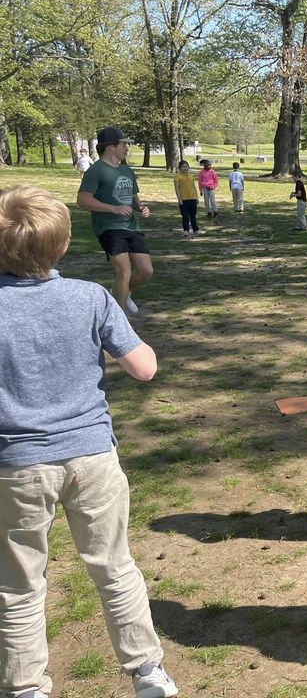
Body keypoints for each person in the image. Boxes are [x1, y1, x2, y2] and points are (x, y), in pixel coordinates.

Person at [0, 186, 179, 698]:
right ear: (61, 245)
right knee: (114, 566)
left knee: (18, 585)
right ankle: (148, 672)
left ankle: (25, 687)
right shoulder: (91, 297)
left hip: (16, 467)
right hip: (92, 456)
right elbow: (144, 368)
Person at [76, 127, 152, 315]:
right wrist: (113, 209)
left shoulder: (127, 170)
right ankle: (120, 321)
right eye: (123, 144)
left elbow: (133, 198)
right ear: (111, 146)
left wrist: (141, 207)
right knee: (124, 272)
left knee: (146, 271)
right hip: (109, 228)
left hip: (131, 226)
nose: (127, 148)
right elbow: (82, 200)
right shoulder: (96, 171)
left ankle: (119, 292)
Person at [173, 160, 201, 238]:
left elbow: (194, 187)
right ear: (179, 168)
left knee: (193, 215)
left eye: (186, 167)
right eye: (183, 167)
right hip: (184, 199)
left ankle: (195, 229)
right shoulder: (177, 177)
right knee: (185, 216)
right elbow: (177, 189)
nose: (185, 168)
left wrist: (196, 197)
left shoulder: (191, 176)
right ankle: (186, 230)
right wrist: (179, 199)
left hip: (192, 198)